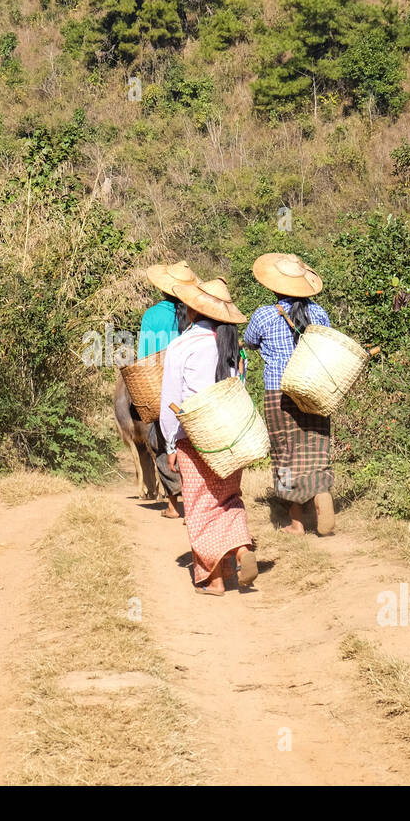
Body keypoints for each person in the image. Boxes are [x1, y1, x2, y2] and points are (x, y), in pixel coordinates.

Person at [159, 278, 258, 596]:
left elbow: (170, 401)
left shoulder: (181, 346)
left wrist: (171, 444)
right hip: (229, 435)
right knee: (228, 499)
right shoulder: (232, 346)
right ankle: (241, 549)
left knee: (200, 505)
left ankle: (214, 580)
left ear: (192, 310)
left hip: (194, 438)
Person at [243, 253, 336, 536]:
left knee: (284, 450)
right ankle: (321, 494)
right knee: (315, 446)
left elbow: (249, 341)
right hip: (314, 388)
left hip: (279, 390)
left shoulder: (264, 314)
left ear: (274, 285)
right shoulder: (319, 313)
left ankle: (296, 522)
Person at [139, 261, 198, 517]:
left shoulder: (152, 315)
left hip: (161, 387)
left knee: (161, 440)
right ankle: (197, 500)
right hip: (193, 386)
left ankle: (173, 504)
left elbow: (144, 358)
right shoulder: (196, 312)